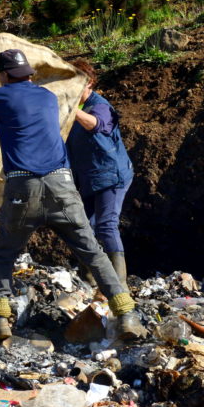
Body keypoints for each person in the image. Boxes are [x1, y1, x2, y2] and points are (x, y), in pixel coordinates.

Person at [0, 49, 147, 342]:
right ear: (28, 74)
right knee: (94, 254)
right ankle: (127, 316)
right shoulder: (48, 97)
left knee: (5, 255)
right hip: (63, 186)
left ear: (4, 76)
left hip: (22, 188)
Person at [66, 58, 134, 289]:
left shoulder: (100, 105)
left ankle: (119, 284)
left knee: (106, 224)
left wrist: (71, 109)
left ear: (90, 84)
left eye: (78, 83)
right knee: (84, 227)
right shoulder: (75, 110)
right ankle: (89, 278)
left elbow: (96, 124)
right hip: (88, 178)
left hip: (111, 176)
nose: (73, 88)